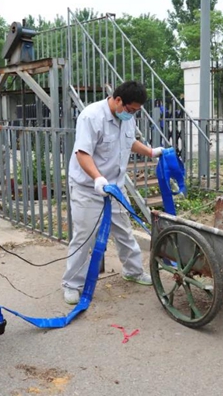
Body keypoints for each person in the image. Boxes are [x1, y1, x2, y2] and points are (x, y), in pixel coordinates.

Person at [61, 80, 164, 305]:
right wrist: (97, 178)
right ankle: (72, 284)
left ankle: (133, 271)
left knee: (124, 231)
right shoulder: (91, 117)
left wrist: (150, 152)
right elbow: (82, 153)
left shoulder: (127, 117)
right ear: (118, 100)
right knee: (84, 237)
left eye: (136, 111)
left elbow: (129, 142)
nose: (133, 114)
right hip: (88, 188)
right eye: (131, 109)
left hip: (115, 187)